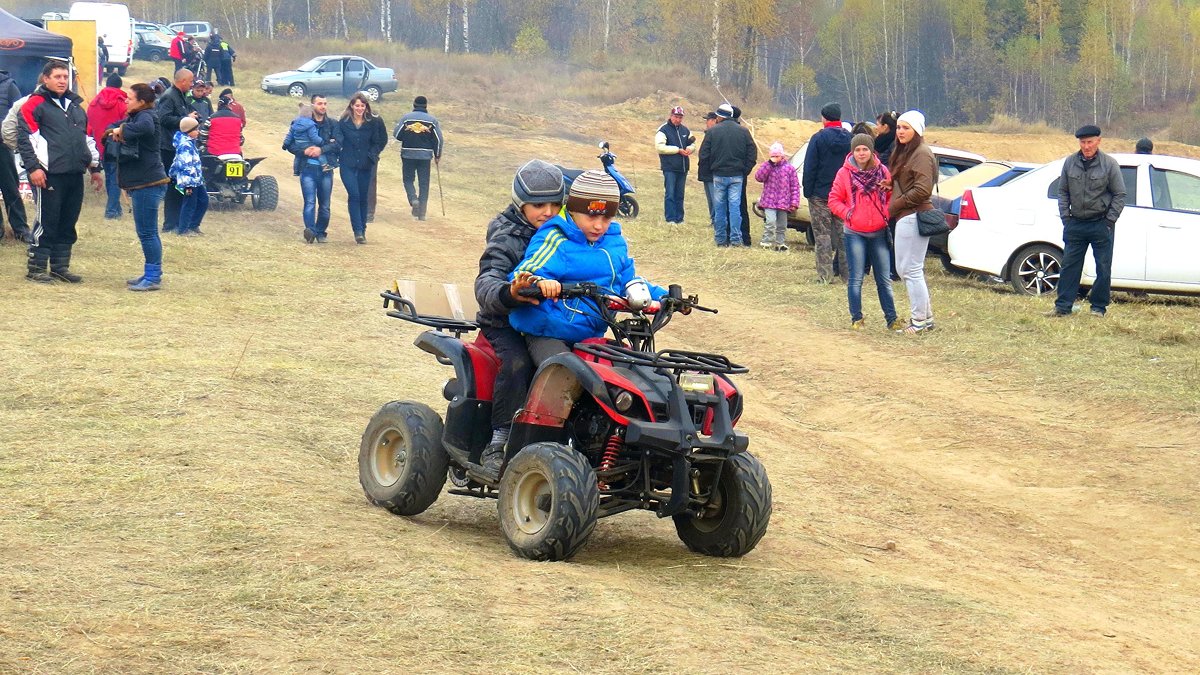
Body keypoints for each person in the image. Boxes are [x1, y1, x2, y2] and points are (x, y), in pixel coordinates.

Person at [509, 169, 666, 364]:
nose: (599, 226)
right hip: (548, 330)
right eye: (591, 217)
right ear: (573, 211)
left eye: (607, 218)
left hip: (590, 334)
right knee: (561, 373)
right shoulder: (556, 238)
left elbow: (628, 280)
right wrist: (541, 283)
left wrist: (664, 296)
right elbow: (527, 272)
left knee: (630, 368)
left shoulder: (614, 243)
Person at [472, 159, 566, 480]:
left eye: (556, 204)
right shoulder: (507, 236)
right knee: (517, 365)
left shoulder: (564, 234)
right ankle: (498, 441)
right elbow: (487, 282)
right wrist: (509, 293)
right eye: (539, 205)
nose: (548, 212)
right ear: (520, 203)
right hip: (504, 320)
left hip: (545, 321)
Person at [16, 60, 103, 283]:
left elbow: (88, 138)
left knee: (68, 222)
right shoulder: (34, 104)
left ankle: (59, 268)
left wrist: (95, 167)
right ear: (45, 78)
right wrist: (34, 168)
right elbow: (25, 140)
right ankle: (36, 269)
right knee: (48, 221)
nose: (63, 81)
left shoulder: (75, 107)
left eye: (65, 77)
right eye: (57, 77)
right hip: (48, 174)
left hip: (74, 173)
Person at [1049, 125, 1127, 318]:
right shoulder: (1069, 163)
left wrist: (1109, 221)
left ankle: (1098, 308)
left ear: (1098, 141)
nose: (1086, 146)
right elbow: (1063, 192)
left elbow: (1120, 194)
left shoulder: (1109, 164)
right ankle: (1063, 307)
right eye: (1083, 142)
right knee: (1069, 266)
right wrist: (1066, 217)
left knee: (1103, 267)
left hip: (1101, 223)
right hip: (1075, 223)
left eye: (1090, 142)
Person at [829, 133, 901, 331]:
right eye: (857, 150)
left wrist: (885, 213)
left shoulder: (882, 171)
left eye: (865, 149)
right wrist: (849, 214)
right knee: (856, 278)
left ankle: (892, 319)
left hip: (878, 231)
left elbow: (890, 197)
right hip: (854, 233)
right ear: (852, 152)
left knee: (884, 279)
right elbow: (834, 200)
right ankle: (857, 318)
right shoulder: (844, 174)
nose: (861, 153)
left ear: (871, 151)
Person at [110, 82, 170, 291]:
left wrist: (121, 129)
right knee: (146, 231)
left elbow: (146, 128)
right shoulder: (137, 115)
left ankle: (153, 277)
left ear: (142, 102)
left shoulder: (146, 116)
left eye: (130, 98)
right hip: (143, 182)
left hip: (149, 183)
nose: (126, 100)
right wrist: (113, 130)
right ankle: (150, 272)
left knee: (147, 232)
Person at [885, 110, 939, 334]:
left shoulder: (922, 153)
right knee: (908, 269)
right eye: (899, 127)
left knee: (910, 270)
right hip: (906, 215)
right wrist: (891, 186)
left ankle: (918, 321)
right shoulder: (907, 152)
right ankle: (925, 319)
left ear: (917, 130)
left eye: (906, 128)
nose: (900, 132)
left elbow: (922, 189)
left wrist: (896, 204)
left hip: (913, 215)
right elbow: (910, 183)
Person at [803, 102, 852, 283]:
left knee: (822, 235)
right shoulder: (850, 139)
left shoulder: (818, 138)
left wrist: (808, 190)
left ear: (824, 118)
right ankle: (848, 276)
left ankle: (825, 276)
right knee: (845, 236)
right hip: (843, 195)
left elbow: (810, 166)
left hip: (820, 194)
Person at [697, 103, 756, 247]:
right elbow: (752, 154)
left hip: (718, 175)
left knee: (720, 208)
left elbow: (704, 154)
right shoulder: (743, 131)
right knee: (735, 208)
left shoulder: (712, 132)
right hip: (737, 176)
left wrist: (709, 171)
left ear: (719, 116)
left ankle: (721, 239)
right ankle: (736, 240)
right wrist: (744, 171)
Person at [333, 92, 388, 244]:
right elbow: (338, 139)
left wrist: (373, 154)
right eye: (357, 105)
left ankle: (362, 230)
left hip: (365, 163)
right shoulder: (344, 121)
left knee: (363, 197)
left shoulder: (374, 122)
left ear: (366, 107)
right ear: (352, 105)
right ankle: (357, 230)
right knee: (354, 195)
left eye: (362, 106)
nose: (360, 108)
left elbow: (382, 140)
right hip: (347, 163)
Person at [286, 95, 337, 243]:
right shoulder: (300, 123)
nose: (323, 106)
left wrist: (322, 150)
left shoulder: (332, 124)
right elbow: (290, 144)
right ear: (312, 106)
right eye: (320, 103)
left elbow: (338, 144)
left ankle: (320, 232)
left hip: (326, 169)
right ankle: (310, 231)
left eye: (325, 103)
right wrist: (304, 151)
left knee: (325, 205)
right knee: (309, 202)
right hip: (307, 168)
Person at [157, 69, 197, 233]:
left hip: (179, 146)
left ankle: (179, 222)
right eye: (190, 81)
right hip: (169, 147)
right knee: (174, 186)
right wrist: (185, 120)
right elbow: (163, 118)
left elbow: (177, 115)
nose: (192, 84)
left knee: (180, 185)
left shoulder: (181, 96)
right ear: (182, 81)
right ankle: (169, 224)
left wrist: (189, 116)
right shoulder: (169, 95)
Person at [393, 95, 443, 221]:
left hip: (408, 154)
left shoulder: (406, 118)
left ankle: (413, 199)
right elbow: (439, 139)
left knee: (408, 180)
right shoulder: (432, 120)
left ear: (414, 105)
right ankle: (422, 214)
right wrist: (437, 155)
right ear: (426, 106)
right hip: (425, 156)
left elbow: (397, 135)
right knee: (424, 184)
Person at [87, 73, 127, 220]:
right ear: (119, 86)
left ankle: (116, 208)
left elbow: (88, 125)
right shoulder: (122, 104)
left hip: (98, 145)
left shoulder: (93, 103)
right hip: (115, 145)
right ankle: (111, 211)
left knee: (111, 176)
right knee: (115, 177)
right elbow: (125, 126)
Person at [0, 68, 30, 242]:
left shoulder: (9, 86)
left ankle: (21, 230)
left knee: (10, 188)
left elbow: (21, 114)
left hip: (2, 145)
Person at [754, 142, 799, 251]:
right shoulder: (767, 166)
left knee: (782, 225)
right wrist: (768, 164)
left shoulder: (789, 169)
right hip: (769, 201)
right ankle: (766, 241)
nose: (774, 158)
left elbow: (795, 186)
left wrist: (794, 202)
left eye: (776, 156)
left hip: (784, 202)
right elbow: (759, 177)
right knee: (770, 221)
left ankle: (780, 243)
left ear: (782, 156)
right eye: (772, 156)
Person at [655, 105, 694, 223]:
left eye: (680, 117)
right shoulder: (663, 130)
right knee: (670, 194)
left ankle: (679, 218)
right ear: (671, 116)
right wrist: (677, 150)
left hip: (683, 168)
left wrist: (689, 149)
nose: (678, 119)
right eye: (676, 117)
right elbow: (660, 147)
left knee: (680, 194)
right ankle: (670, 218)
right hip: (670, 167)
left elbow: (692, 143)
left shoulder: (686, 130)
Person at [169, 117, 208, 236]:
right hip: (189, 181)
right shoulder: (185, 145)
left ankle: (193, 225)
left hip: (196, 180)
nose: (199, 132)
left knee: (203, 201)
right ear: (189, 130)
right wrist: (188, 183)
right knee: (189, 204)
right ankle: (183, 229)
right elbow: (185, 164)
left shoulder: (190, 142)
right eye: (196, 129)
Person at [696, 111, 718, 224]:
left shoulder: (715, 134)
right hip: (705, 171)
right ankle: (713, 219)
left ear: (714, 121)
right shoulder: (709, 133)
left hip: (712, 171)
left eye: (708, 120)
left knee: (715, 198)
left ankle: (716, 220)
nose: (706, 122)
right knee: (710, 198)